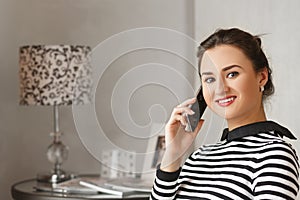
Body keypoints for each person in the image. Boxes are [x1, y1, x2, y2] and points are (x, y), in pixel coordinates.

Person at [150, 28, 299, 200]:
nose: (220, 88)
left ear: (262, 77)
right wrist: (172, 155)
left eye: (232, 74)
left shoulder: (274, 156)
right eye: (210, 79)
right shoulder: (199, 156)